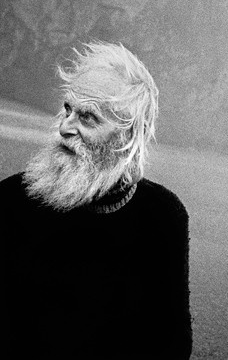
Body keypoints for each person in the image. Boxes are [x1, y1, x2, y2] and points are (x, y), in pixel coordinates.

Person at [0, 42, 192, 359]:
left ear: (128, 137)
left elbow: (170, 341)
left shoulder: (162, 217)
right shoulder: (10, 201)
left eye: (88, 118)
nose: (64, 127)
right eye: (67, 109)